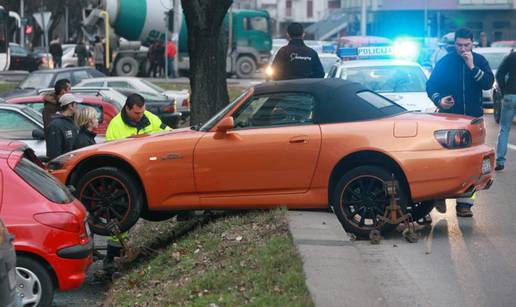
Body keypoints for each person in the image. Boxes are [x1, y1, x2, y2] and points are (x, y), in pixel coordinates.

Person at [426, 28, 494, 217]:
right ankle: (439, 195)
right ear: (454, 44)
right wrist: (439, 100)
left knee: (473, 162)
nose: (462, 48)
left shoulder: (479, 61)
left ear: (473, 44)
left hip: (473, 120)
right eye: (459, 45)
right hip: (449, 120)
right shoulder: (445, 62)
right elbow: (431, 85)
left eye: (466, 45)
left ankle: (465, 204)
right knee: (444, 160)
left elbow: (488, 84)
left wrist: (472, 66)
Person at [103, 94, 171, 270]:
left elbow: (169, 133)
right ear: (127, 108)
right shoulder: (115, 126)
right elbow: (111, 156)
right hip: (126, 179)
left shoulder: (150, 119)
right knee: (122, 214)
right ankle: (113, 254)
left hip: (150, 174)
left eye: (142, 112)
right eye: (136, 113)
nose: (140, 116)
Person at [494, 50, 516, 171]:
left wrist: (503, 90)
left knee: (504, 128)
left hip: (510, 95)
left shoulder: (511, 56)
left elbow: (499, 74)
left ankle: (500, 161)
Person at [46, 94, 81, 160]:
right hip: (64, 166)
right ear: (70, 106)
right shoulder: (55, 125)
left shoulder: (71, 121)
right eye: (76, 104)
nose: (77, 106)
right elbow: (54, 154)